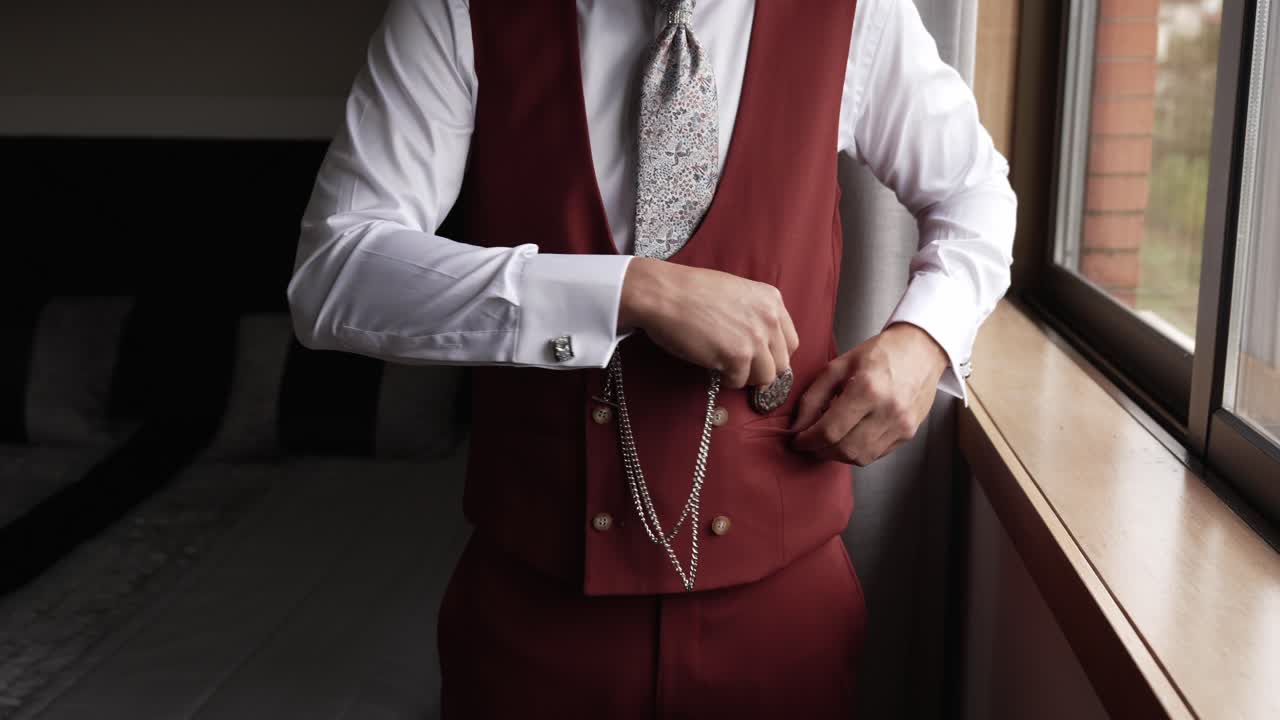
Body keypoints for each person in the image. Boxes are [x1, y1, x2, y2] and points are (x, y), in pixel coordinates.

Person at [288, 0, 1015, 716]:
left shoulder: (857, 11)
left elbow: (976, 193)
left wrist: (923, 342)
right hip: (532, 624)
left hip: (784, 621)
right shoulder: (454, 11)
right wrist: (630, 290)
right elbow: (337, 272)